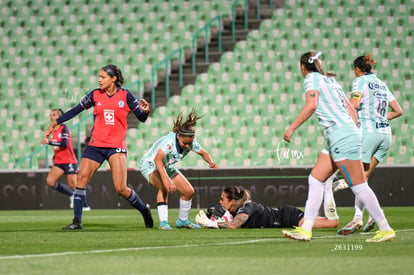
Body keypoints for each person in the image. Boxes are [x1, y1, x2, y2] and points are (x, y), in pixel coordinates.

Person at [281, 51, 395, 242]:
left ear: (302, 67)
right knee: (316, 179)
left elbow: (311, 105)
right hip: (339, 134)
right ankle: (306, 229)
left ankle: (385, 228)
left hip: (341, 134)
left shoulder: (311, 79)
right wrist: (353, 131)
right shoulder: (331, 81)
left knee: (358, 185)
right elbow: (351, 109)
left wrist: (291, 128)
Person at [44, 64, 153, 230]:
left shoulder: (126, 96)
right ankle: (77, 221)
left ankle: (144, 210)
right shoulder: (95, 95)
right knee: (81, 180)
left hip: (116, 146)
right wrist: (56, 122)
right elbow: (75, 110)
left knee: (121, 188)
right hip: (95, 144)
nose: (99, 80)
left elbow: (142, 118)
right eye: (99, 77)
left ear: (113, 78)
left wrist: (145, 111)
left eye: (103, 77)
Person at [336, 54, 403, 235]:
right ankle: (373, 215)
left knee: (357, 179)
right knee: (363, 179)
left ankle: (358, 218)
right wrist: (380, 117)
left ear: (357, 69)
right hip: (385, 136)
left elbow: (355, 104)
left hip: (368, 134)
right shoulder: (381, 84)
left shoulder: (359, 82)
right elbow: (398, 111)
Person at [139, 107, 219, 230]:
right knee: (163, 186)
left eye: (189, 143)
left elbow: (203, 153)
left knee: (188, 191)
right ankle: (163, 223)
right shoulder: (169, 142)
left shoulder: (190, 142)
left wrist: (211, 162)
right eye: (184, 144)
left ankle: (182, 220)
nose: (187, 146)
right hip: (150, 164)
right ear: (178, 137)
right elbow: (157, 159)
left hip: (166, 165)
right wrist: (166, 179)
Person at [195, 186, 339, 229]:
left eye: (222, 199)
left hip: (289, 217)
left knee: (332, 223)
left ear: (232, 201)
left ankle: (328, 191)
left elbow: (233, 225)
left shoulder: (247, 207)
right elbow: (226, 222)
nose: (220, 202)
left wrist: (210, 223)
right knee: (323, 220)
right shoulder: (234, 210)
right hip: (285, 215)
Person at [41, 108, 90, 211]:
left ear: (60, 117)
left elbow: (64, 144)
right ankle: (71, 195)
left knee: (74, 185)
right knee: (50, 181)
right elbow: (57, 147)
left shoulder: (64, 128)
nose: (51, 117)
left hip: (69, 161)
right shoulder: (52, 129)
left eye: (54, 115)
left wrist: (48, 142)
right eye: (50, 115)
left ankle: (85, 206)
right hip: (59, 161)